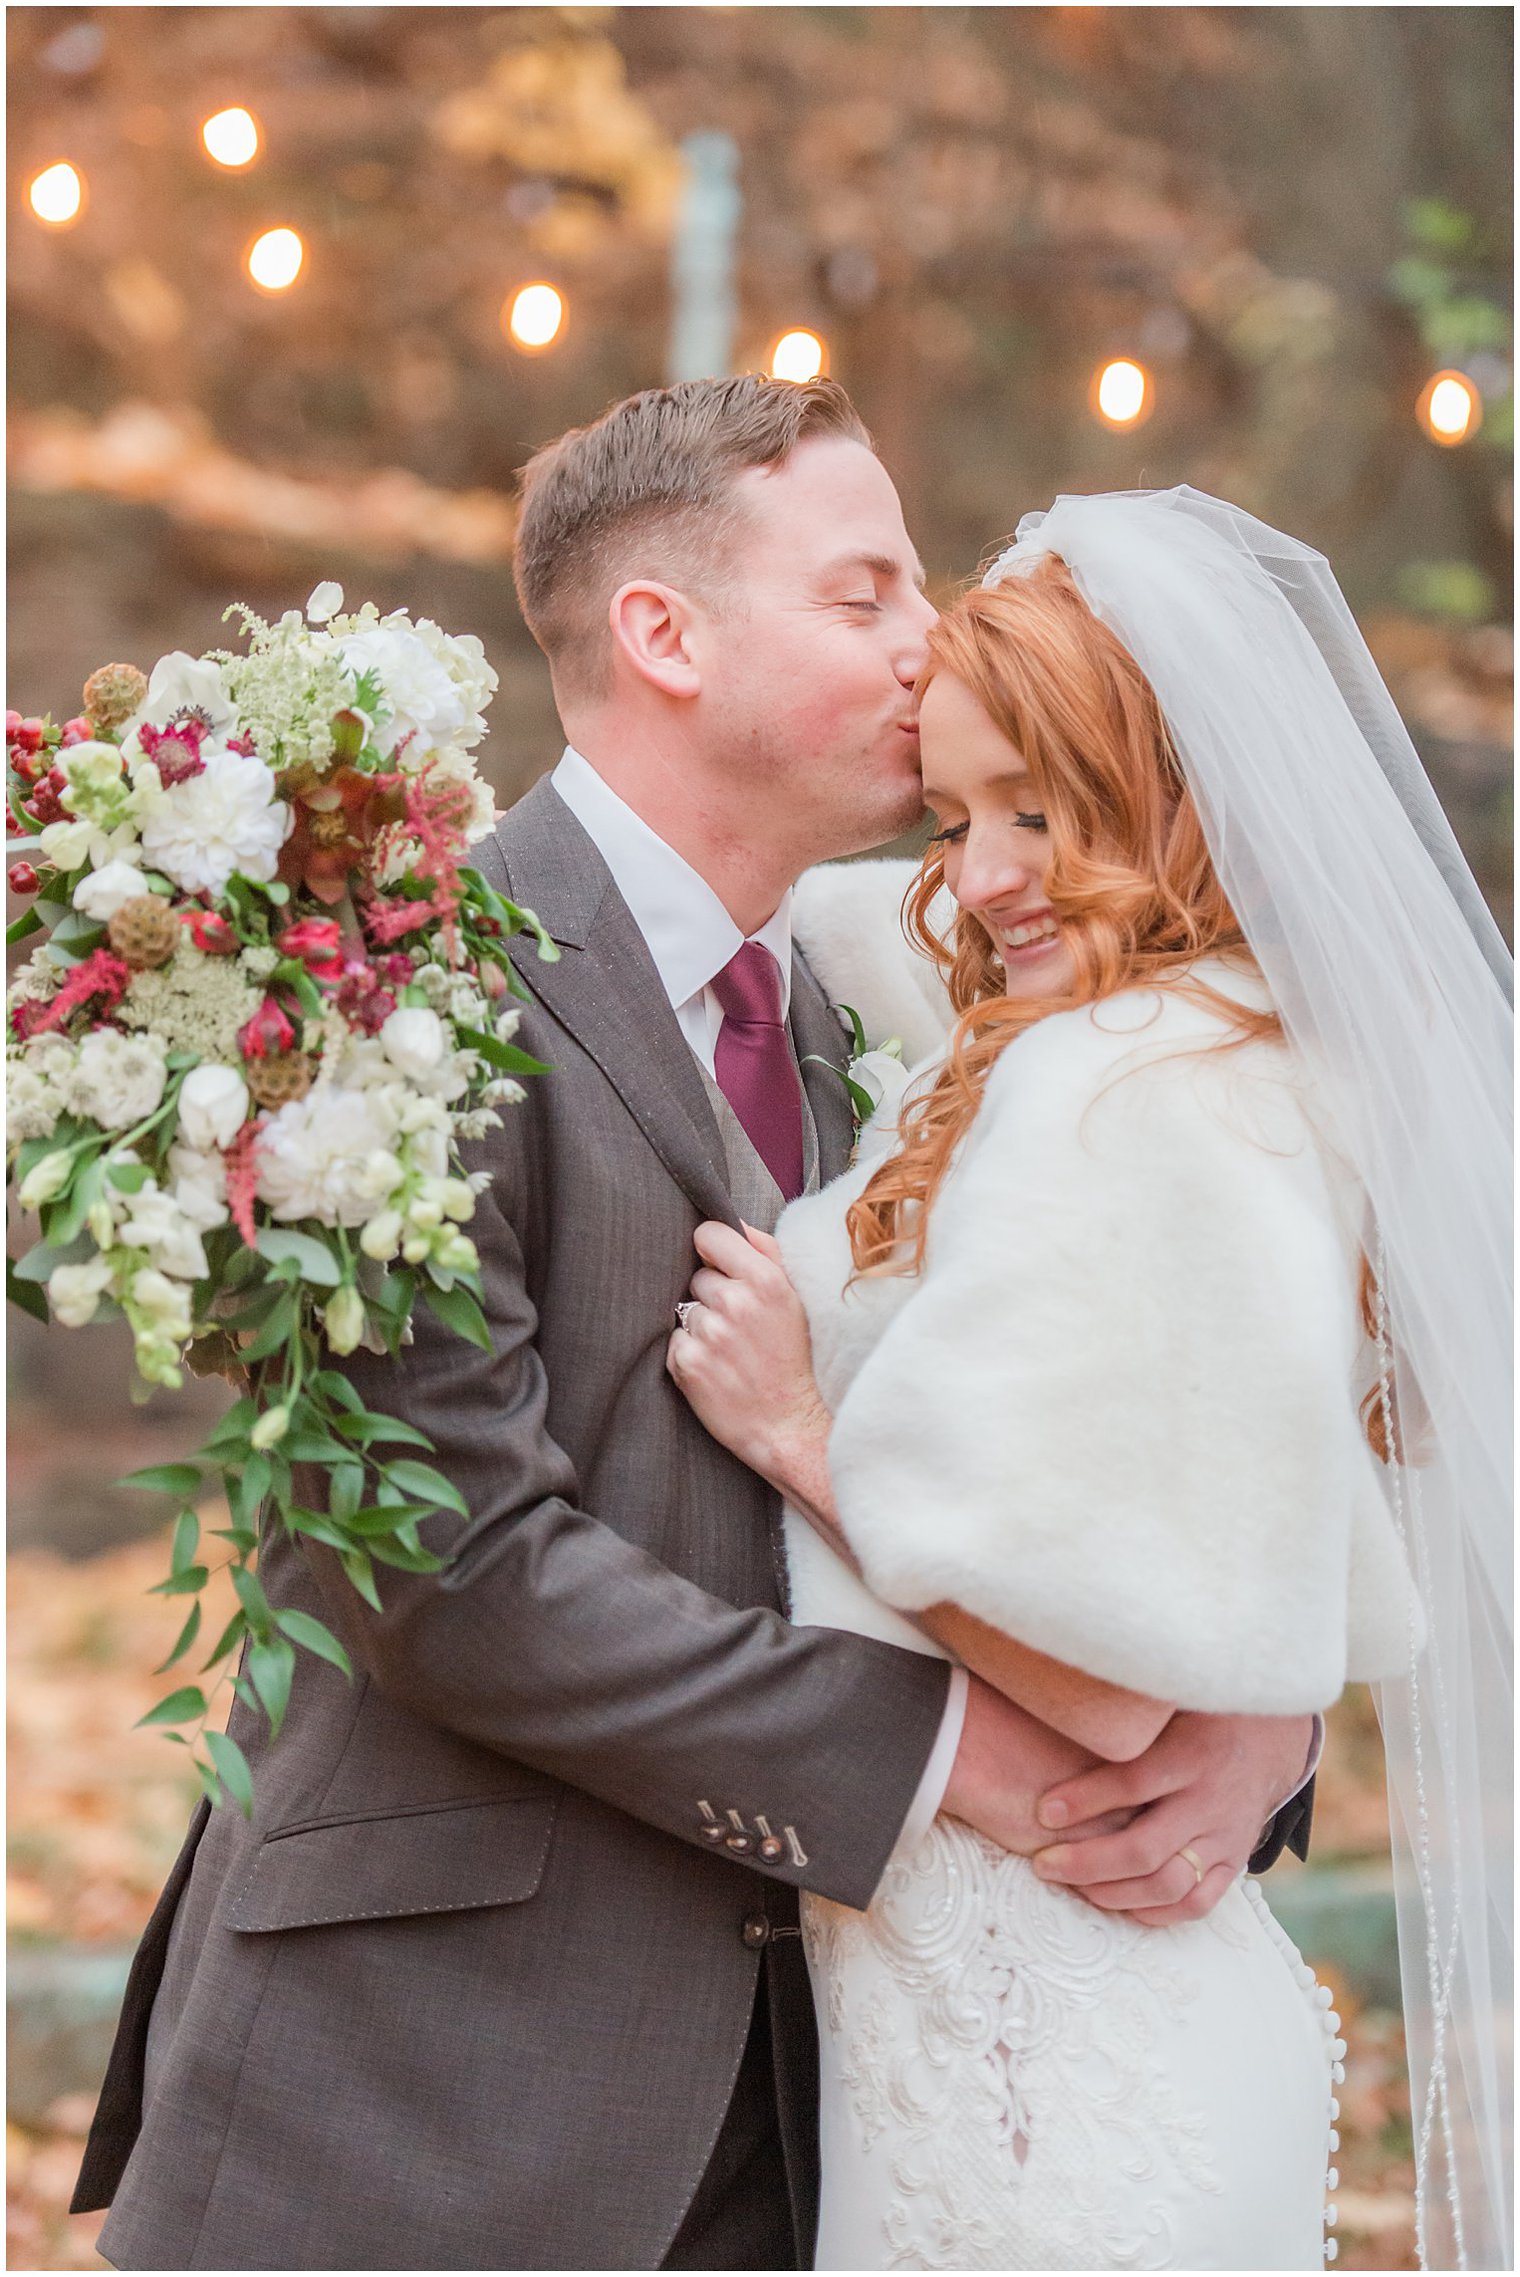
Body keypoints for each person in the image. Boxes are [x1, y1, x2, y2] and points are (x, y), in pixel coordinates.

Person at [76, 397, 1318, 2271]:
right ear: (666, 636)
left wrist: (1251, 1717)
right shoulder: (392, 990)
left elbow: (1141, 1409)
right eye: (864, 588)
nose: (932, 630)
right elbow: (452, 1569)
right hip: (425, 2100)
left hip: (821, 2123)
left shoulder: (892, 995)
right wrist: (984, 1754)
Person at [667, 489, 1512, 2270]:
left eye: (1037, 811)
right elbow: (766, 913)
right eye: (957, 810)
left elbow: (1119, 1696)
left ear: (1183, 802)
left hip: (1055, 2088)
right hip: (1042, 2035)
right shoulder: (1204, 1032)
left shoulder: (1125, 1086)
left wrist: (806, 1435)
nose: (975, 875)